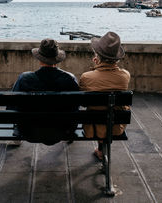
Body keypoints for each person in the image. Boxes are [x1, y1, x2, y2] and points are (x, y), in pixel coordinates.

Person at [11, 38, 80, 145]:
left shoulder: (24, 79)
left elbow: (12, 105)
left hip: (29, 131)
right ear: (57, 59)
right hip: (62, 131)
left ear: (39, 58)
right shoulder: (70, 79)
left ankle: (16, 135)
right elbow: (75, 107)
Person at [79, 31, 130, 160]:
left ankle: (101, 150)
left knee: (98, 110)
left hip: (93, 127)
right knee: (111, 109)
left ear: (98, 56)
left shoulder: (86, 77)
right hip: (115, 126)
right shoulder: (125, 76)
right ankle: (102, 150)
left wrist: (95, 68)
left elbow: (84, 103)